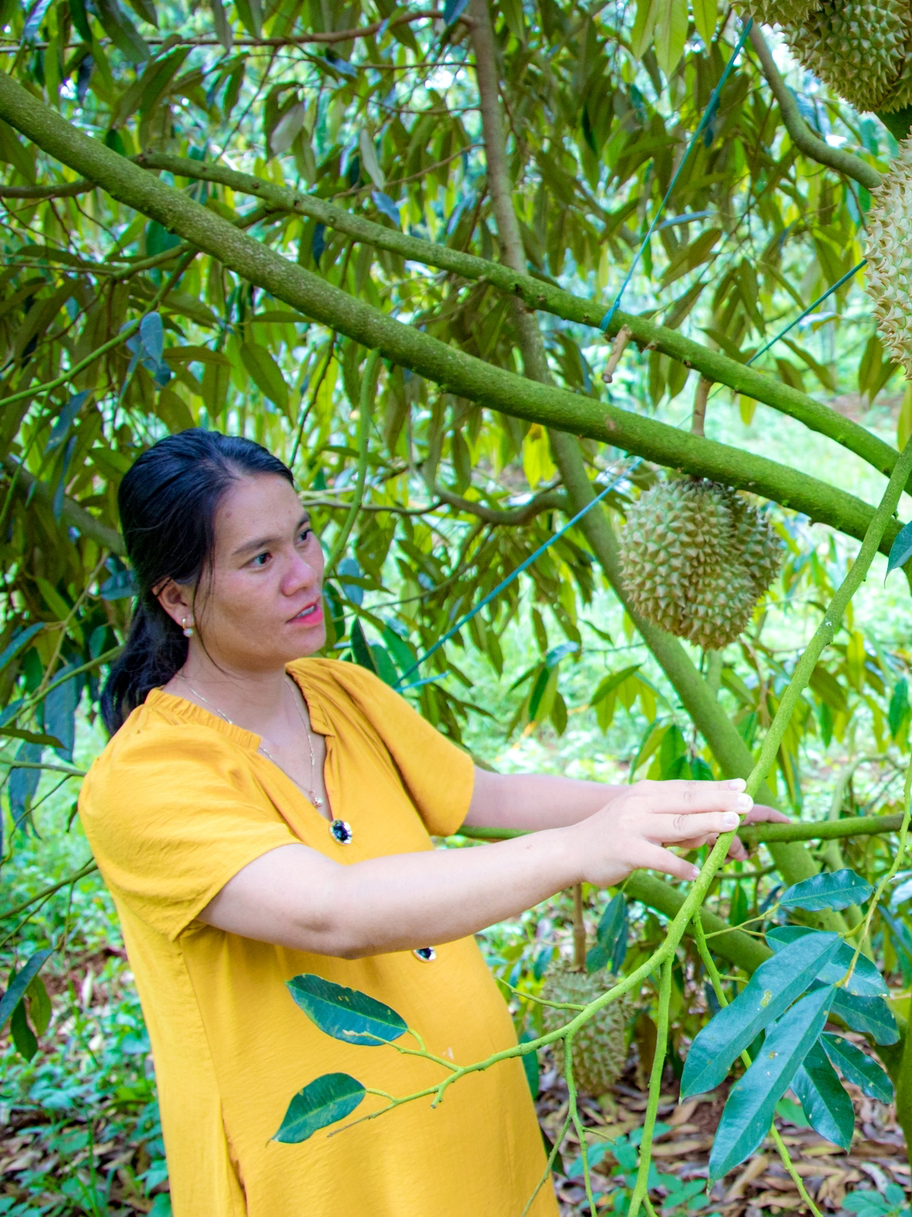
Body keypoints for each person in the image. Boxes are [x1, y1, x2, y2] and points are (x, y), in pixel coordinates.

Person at [80, 430, 785, 1217]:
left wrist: (670, 805)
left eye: (304, 536)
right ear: (176, 598)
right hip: (324, 1183)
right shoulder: (145, 779)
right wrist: (578, 850)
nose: (305, 574)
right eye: (259, 559)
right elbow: (330, 908)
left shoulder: (340, 693)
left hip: (477, 1139)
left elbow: (490, 797)